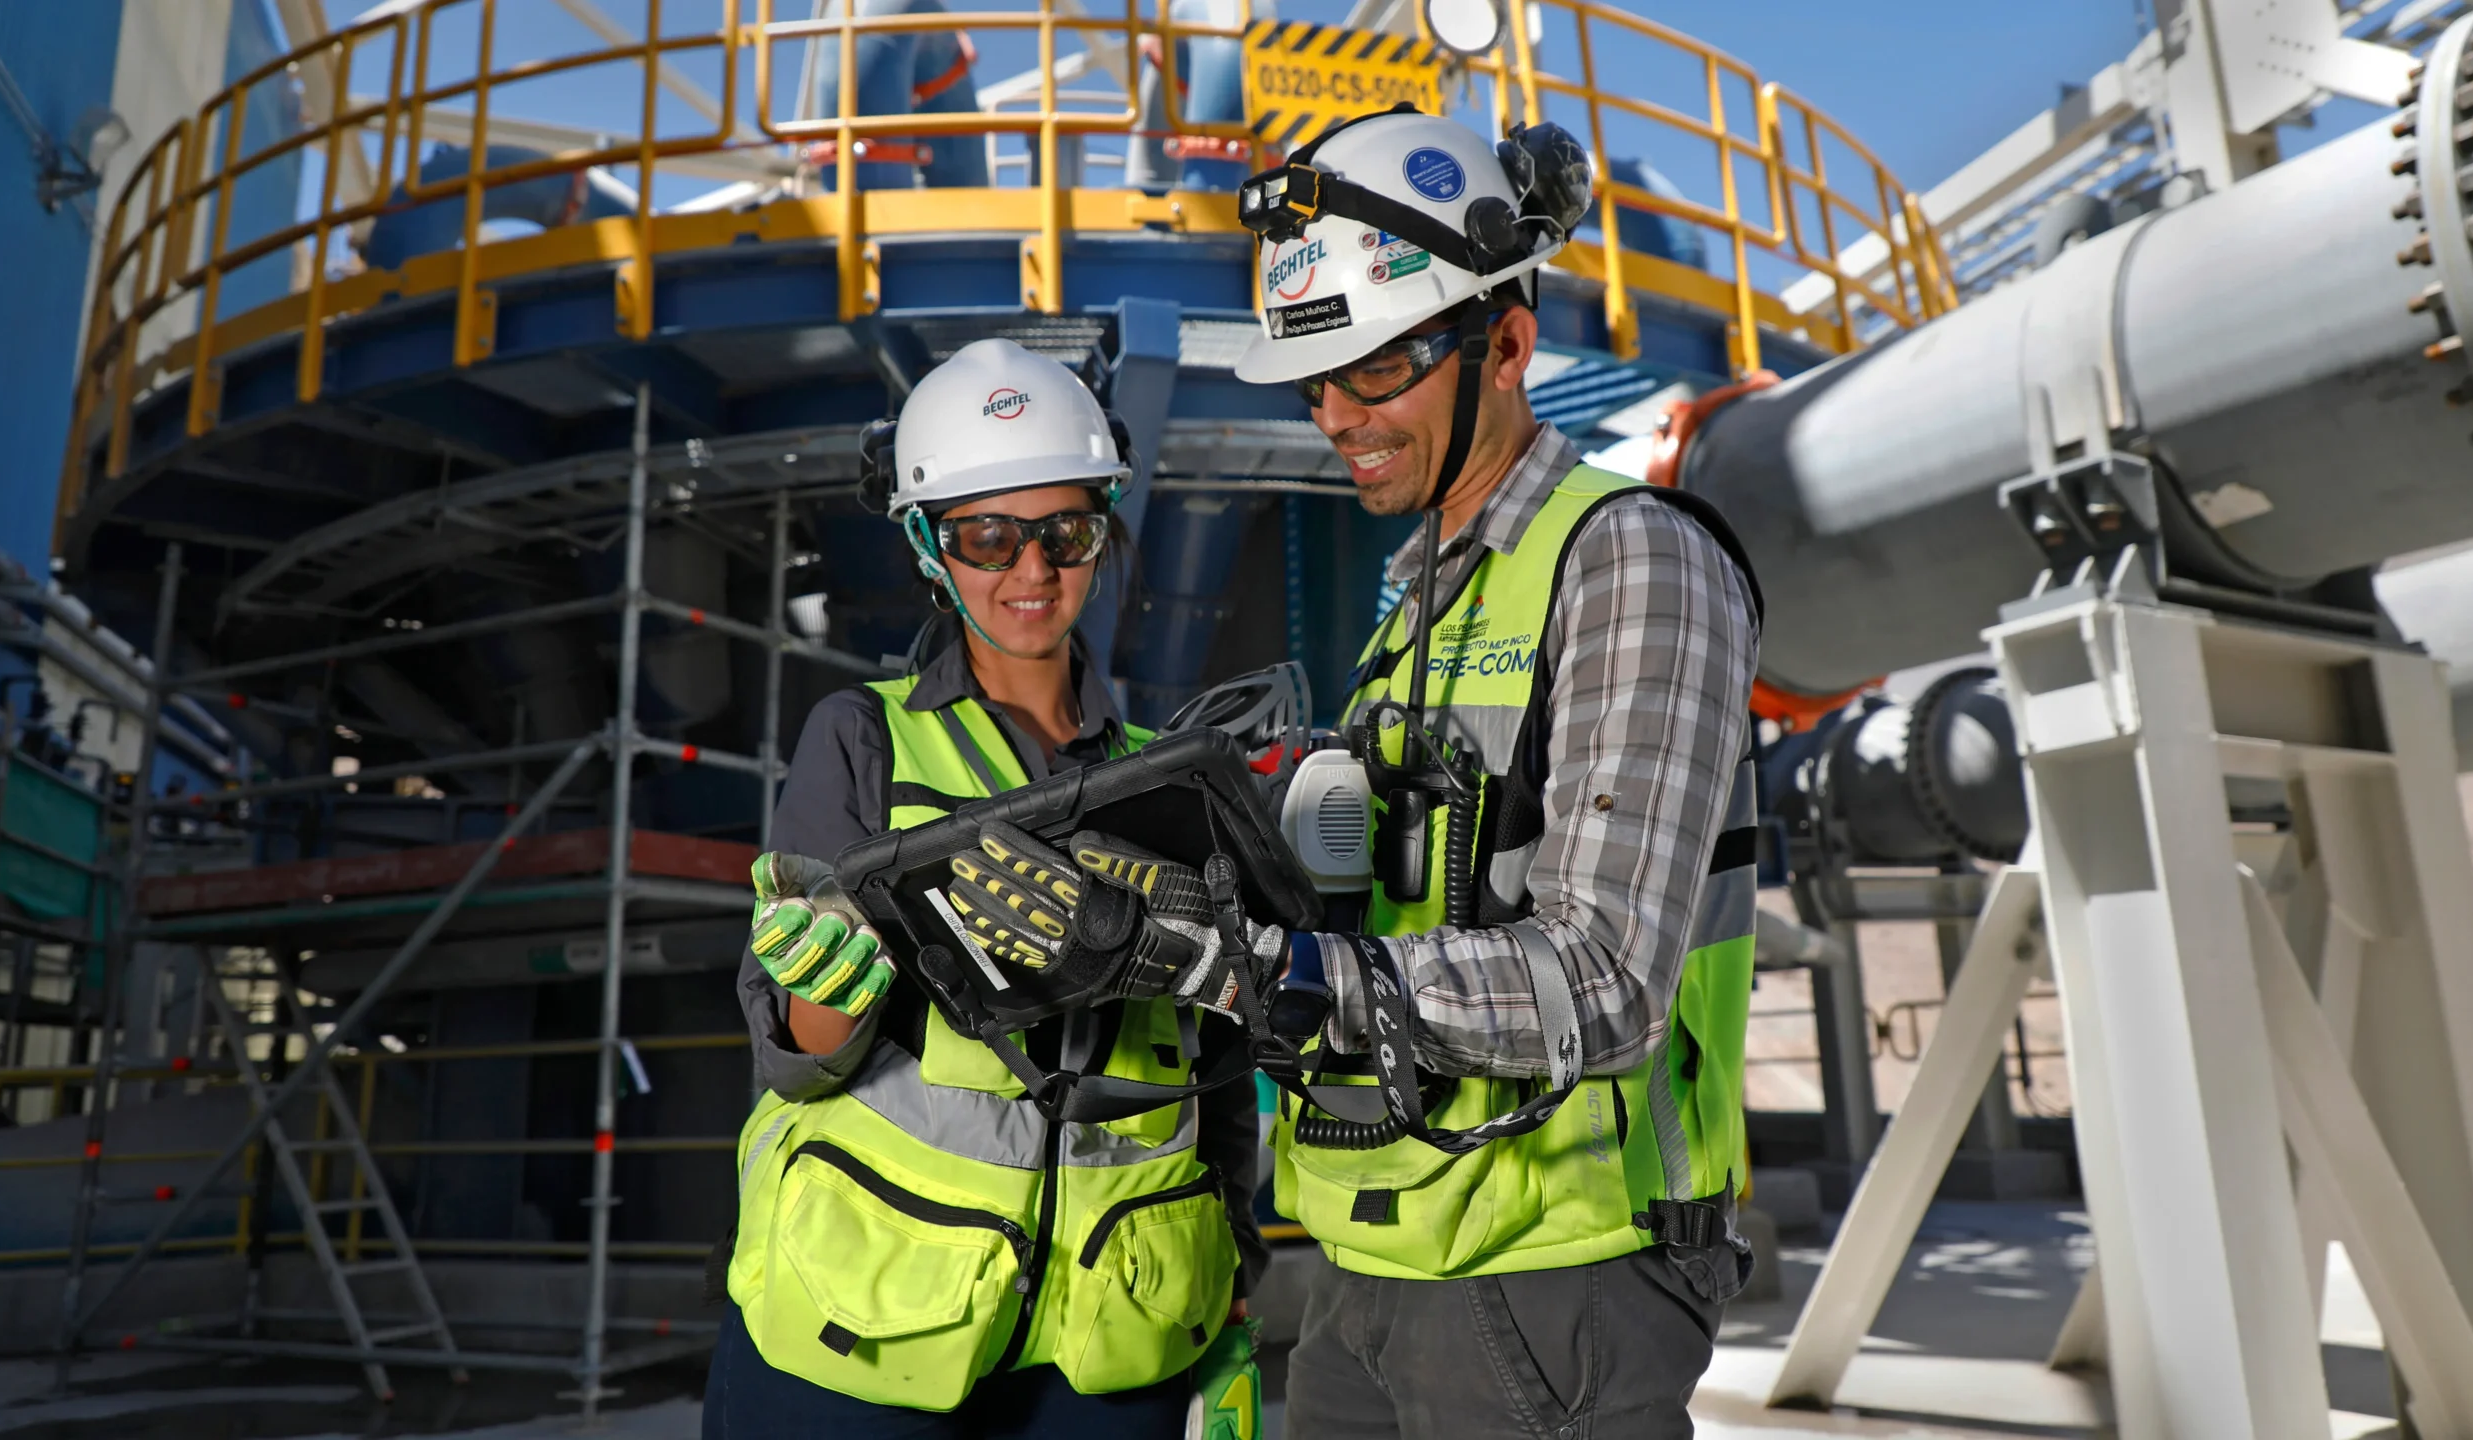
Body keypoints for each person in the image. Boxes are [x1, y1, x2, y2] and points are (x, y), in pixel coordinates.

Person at [1232, 107, 1765, 1435]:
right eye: (1315, 381)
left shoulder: (1627, 558)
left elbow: (1608, 976)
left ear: (1509, 344)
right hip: (1373, 1255)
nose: (1335, 418)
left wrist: (1284, 974)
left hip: (1559, 1272)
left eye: (1372, 373)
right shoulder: (1409, 608)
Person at [706, 339, 1265, 1438]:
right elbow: (798, 1059)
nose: (1029, 572)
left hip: (1114, 1329)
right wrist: (828, 992)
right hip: (869, 1316)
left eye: (1063, 534)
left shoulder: (1174, 777)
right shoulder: (865, 740)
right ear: (927, 544)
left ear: (1100, 534)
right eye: (985, 537)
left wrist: (1237, 1267)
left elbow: (1220, 1065)